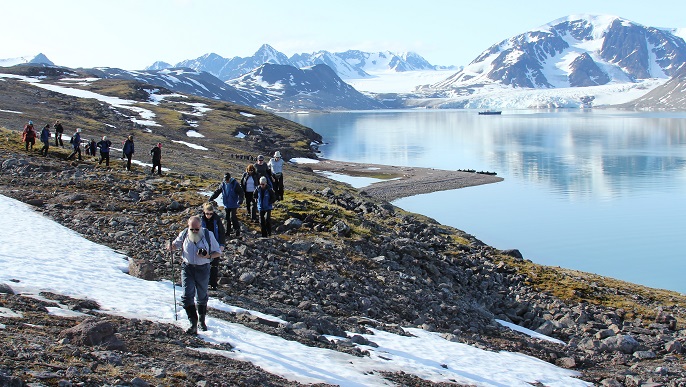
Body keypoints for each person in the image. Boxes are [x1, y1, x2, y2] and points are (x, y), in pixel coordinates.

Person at [169, 216, 220, 334]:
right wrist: (171, 247)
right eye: (192, 229)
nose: (194, 231)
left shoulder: (208, 235)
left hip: (203, 268)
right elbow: (175, 245)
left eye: (197, 229)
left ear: (200, 226)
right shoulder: (184, 234)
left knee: (202, 295)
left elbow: (218, 252)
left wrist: (208, 256)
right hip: (187, 267)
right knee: (187, 295)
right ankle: (193, 323)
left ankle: (201, 321)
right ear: (188, 227)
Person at [209, 173, 244, 239]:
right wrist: (211, 198)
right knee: (227, 218)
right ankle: (227, 232)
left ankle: (237, 230)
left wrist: (240, 199)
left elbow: (241, 192)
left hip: (234, 203)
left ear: (230, 178)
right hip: (226, 204)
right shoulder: (223, 184)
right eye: (225, 180)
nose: (226, 181)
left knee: (232, 217)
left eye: (227, 179)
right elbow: (217, 192)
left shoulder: (235, 184)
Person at [200, 203, 225, 290]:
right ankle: (204, 282)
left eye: (211, 214)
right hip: (203, 244)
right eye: (207, 213)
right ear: (204, 212)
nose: (209, 216)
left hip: (215, 244)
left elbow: (222, 232)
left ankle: (213, 284)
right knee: (204, 263)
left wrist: (221, 245)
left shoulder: (216, 219)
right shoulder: (200, 219)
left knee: (214, 264)